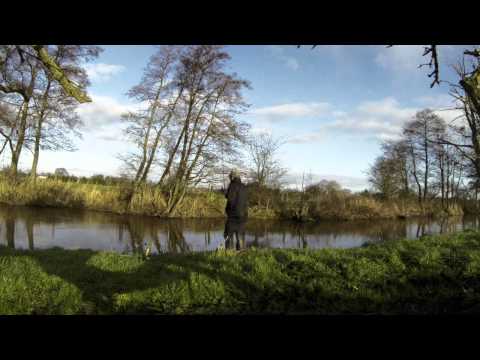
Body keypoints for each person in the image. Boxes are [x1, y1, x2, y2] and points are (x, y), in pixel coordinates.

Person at [221, 169, 248, 251]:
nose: (229, 178)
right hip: (243, 215)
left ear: (232, 177)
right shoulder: (244, 187)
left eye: (230, 176)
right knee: (241, 235)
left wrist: (225, 193)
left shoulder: (232, 185)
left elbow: (231, 199)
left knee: (228, 235)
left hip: (233, 216)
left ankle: (229, 253)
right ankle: (242, 252)